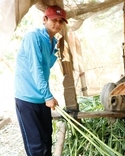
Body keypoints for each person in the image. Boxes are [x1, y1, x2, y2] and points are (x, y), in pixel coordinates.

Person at [14, 5, 68, 156]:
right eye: (53, 20)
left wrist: (56, 49)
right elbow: (36, 69)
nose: (57, 24)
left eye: (60, 21)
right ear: (44, 19)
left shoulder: (51, 41)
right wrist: (48, 96)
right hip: (27, 98)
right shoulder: (33, 37)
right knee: (36, 147)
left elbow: (47, 65)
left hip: (41, 99)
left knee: (46, 139)